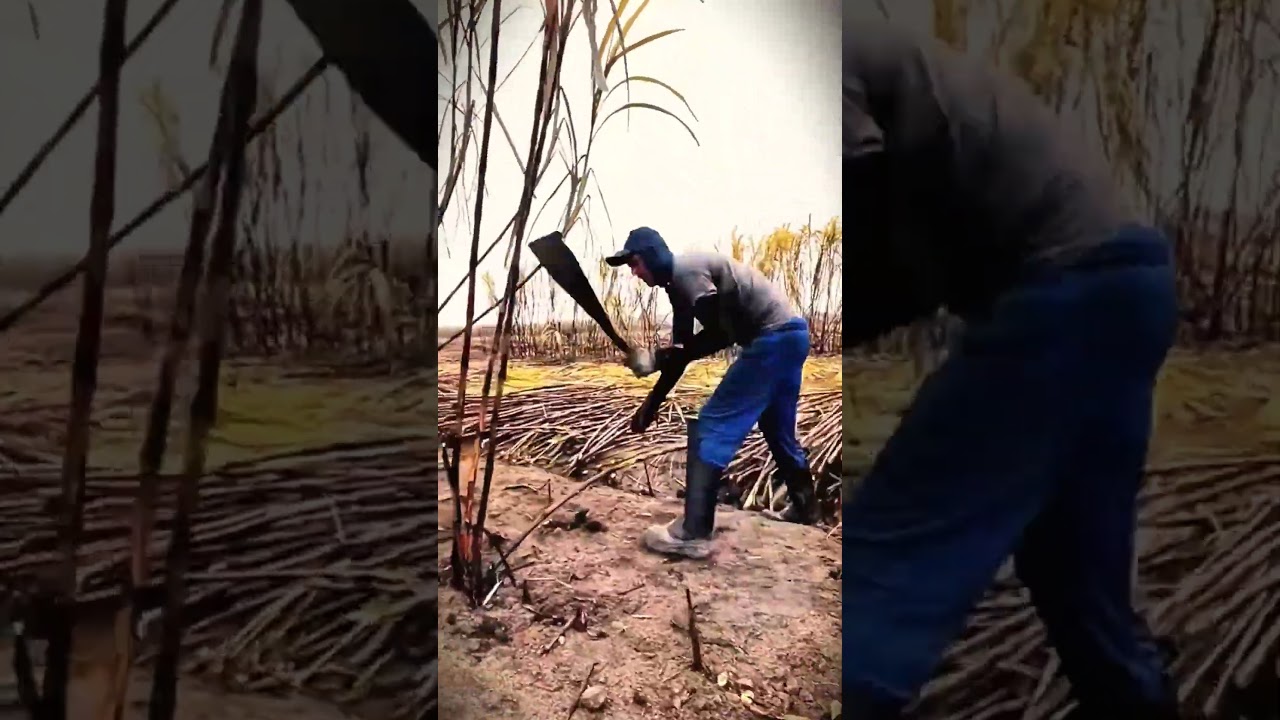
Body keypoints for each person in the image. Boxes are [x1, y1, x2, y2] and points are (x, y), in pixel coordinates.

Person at [843, 15, 1181, 720]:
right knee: (1075, 571)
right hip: (1129, 283)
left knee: (889, 561)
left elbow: (877, 208)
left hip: (1064, 289)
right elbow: (914, 261)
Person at [605, 226, 817, 559]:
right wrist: (651, 404)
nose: (634, 273)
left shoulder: (687, 273)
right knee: (777, 429)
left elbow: (721, 333)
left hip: (771, 341)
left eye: (635, 263)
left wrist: (656, 358)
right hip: (792, 337)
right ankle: (806, 509)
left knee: (710, 424)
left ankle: (694, 531)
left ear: (652, 255)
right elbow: (683, 352)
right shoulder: (679, 288)